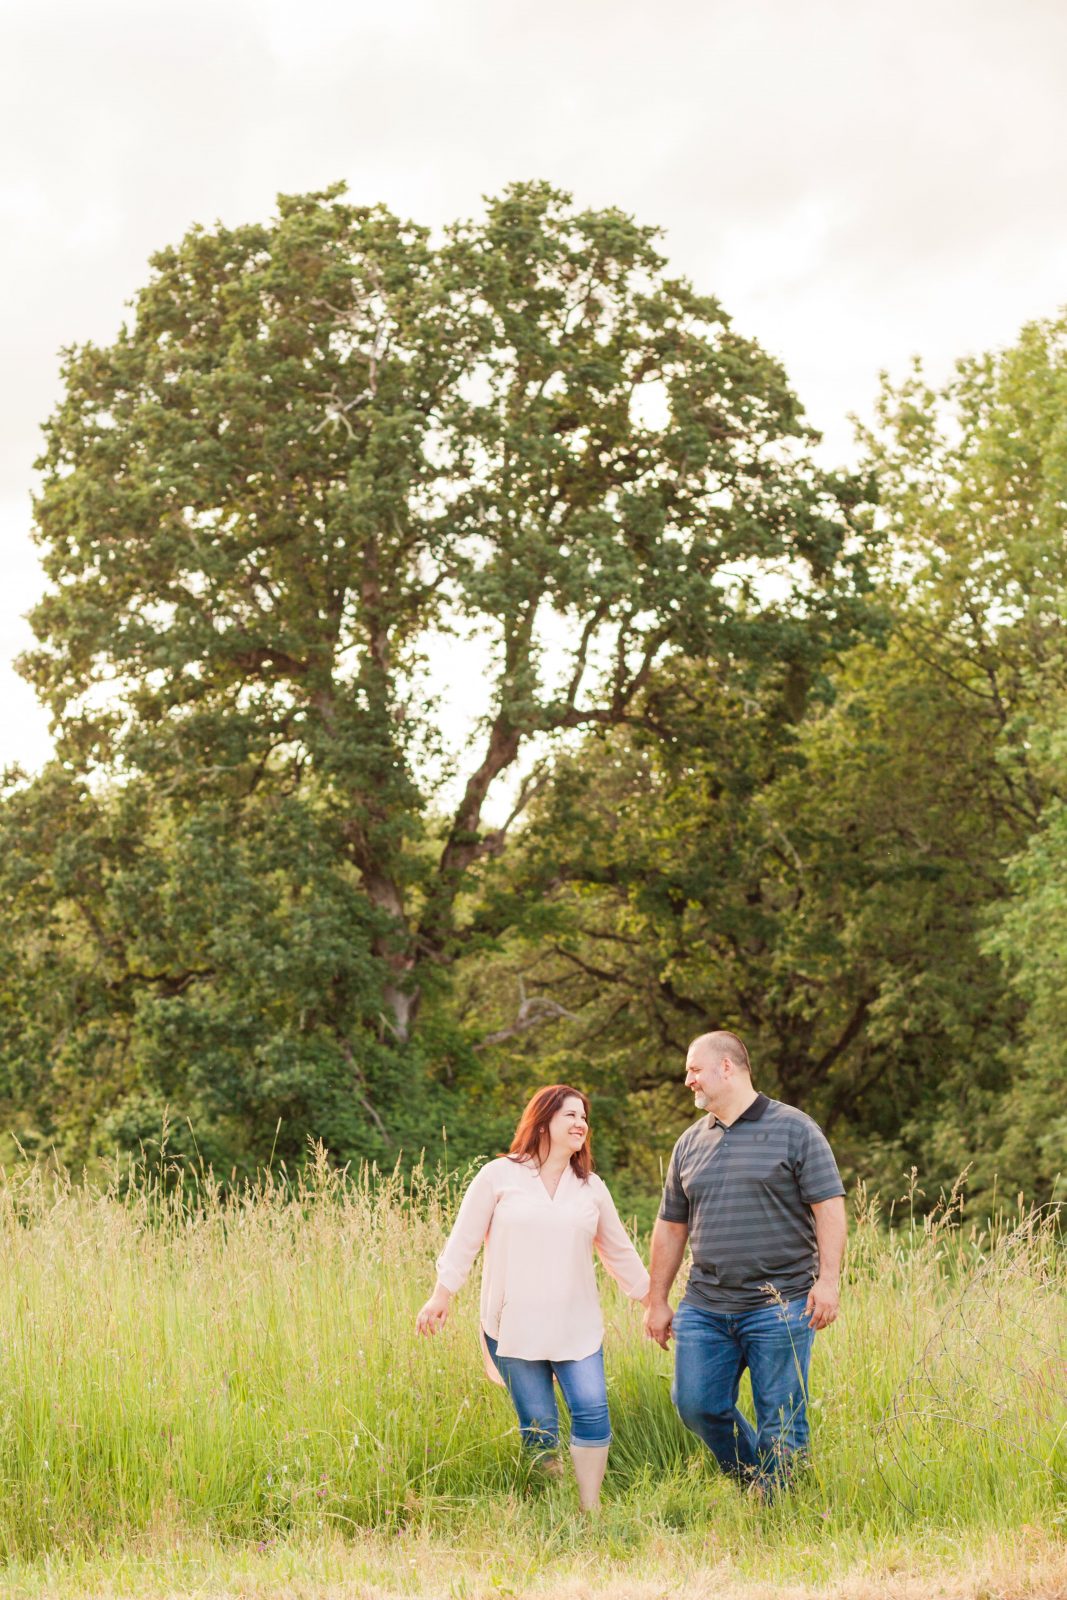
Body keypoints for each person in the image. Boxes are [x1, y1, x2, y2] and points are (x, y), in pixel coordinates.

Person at [416, 1084, 650, 1511]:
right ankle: (553, 1507)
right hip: (513, 1324)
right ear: (543, 1122)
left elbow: (620, 1252)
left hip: (575, 1324)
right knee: (539, 1425)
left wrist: (654, 1303)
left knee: (593, 1408)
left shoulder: (590, 1187)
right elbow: (464, 1239)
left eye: (584, 1117)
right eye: (570, 1116)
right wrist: (441, 1295)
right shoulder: (499, 1175)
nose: (581, 1124)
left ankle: (589, 1509)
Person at [643, 1030, 847, 1497]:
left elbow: (828, 1206)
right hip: (706, 1305)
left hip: (783, 1302)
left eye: (694, 1069)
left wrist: (829, 1281)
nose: (687, 1079)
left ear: (727, 1068)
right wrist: (657, 1300)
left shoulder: (795, 1129)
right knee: (696, 1404)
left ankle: (780, 1513)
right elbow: (671, 1226)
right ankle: (758, 1481)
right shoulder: (689, 1143)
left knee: (782, 1414)